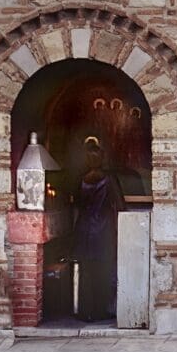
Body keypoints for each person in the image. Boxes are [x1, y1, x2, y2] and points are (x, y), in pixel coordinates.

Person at [71, 138, 125, 322]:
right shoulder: (109, 180)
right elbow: (120, 204)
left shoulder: (81, 180)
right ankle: (102, 310)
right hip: (103, 229)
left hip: (84, 229)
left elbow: (76, 204)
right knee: (103, 269)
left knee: (86, 270)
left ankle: (86, 311)